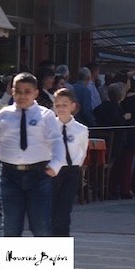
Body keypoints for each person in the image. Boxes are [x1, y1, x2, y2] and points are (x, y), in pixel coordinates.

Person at [0, 73, 66, 237]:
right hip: (10, 175)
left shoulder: (45, 115)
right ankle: (13, 262)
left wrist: (56, 164)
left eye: (27, 91)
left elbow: (57, 141)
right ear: (12, 92)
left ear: (36, 93)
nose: (22, 96)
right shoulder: (3, 115)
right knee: (11, 227)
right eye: (18, 91)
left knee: (41, 226)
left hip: (39, 174)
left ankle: (44, 261)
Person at [51, 88, 89, 237]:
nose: (61, 108)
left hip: (71, 171)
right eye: (58, 105)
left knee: (64, 210)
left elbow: (81, 152)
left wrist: (75, 166)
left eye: (64, 105)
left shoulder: (80, 129)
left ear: (73, 106)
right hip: (53, 171)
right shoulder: (49, 126)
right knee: (51, 209)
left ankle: (62, 239)